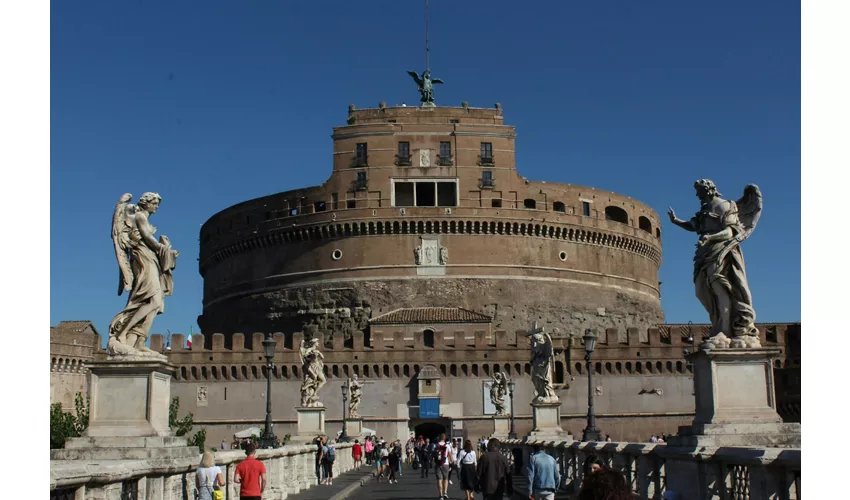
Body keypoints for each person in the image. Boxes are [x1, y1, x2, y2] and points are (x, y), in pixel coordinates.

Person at [433, 433, 455, 499]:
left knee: (439, 479)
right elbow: (450, 455)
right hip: (445, 464)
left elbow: (433, 455)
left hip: (438, 464)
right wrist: (452, 462)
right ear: (445, 438)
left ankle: (441, 495)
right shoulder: (447, 446)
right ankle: (445, 492)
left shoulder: (436, 445)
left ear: (440, 438)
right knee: (446, 479)